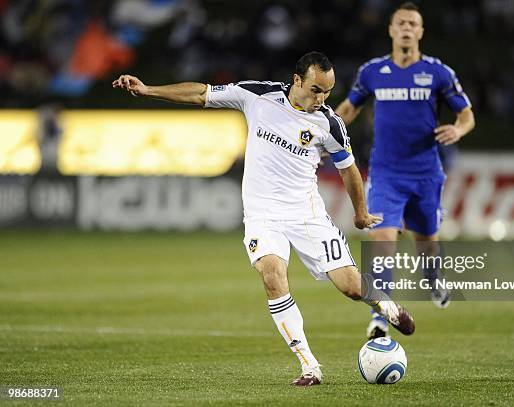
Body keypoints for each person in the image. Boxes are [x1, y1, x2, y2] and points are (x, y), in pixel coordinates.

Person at [112, 51, 415, 386]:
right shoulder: (257, 95)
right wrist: (148, 89)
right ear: (297, 80)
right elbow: (202, 93)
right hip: (262, 215)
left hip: (306, 213)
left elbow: (349, 170)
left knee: (351, 288)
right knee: (272, 276)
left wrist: (359, 213)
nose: (322, 99)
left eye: (328, 92)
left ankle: (387, 307)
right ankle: (309, 365)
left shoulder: (329, 123)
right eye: (316, 90)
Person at [335, 3, 475, 339]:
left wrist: (458, 130)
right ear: (391, 30)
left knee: (427, 244)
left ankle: (434, 279)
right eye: (402, 23)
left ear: (421, 32)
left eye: (413, 23)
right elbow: (349, 109)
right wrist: (326, 128)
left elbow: (467, 115)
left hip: (426, 175)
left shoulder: (438, 72)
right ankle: (382, 316)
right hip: (385, 175)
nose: (407, 28)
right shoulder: (372, 72)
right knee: (382, 243)